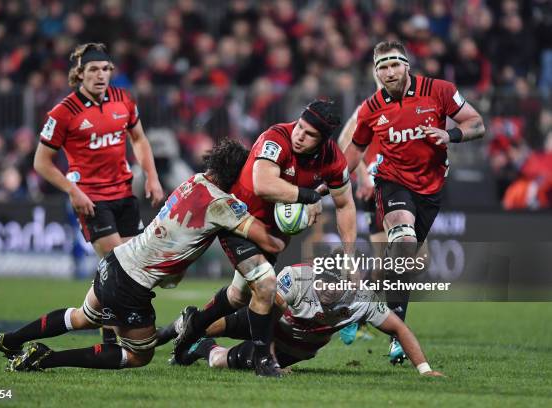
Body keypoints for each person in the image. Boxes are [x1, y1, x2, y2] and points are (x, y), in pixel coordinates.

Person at [0, 140, 286, 372]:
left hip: (115, 262)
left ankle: (11, 339)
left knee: (81, 318)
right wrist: (290, 221)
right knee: (138, 354)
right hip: (130, 285)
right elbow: (268, 242)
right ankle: (45, 359)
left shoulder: (194, 181)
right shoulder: (222, 205)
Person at [172, 100, 357, 377]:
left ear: (323, 141)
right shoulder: (277, 137)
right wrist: (309, 196)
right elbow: (263, 183)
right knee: (266, 285)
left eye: (309, 134)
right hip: (239, 219)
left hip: (272, 233)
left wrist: (350, 256)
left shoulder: (333, 160)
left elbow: (345, 205)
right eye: (300, 127)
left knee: (237, 297)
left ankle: (193, 325)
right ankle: (263, 362)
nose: (299, 135)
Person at [344, 40, 485, 362]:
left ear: (407, 64)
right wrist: (331, 184)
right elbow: (352, 150)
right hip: (391, 182)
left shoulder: (440, 90)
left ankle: (363, 305)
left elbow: (477, 124)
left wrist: (450, 135)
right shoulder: (370, 108)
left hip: (431, 189)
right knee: (403, 242)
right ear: (376, 73)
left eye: (395, 64)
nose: (390, 72)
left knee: (410, 262)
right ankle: (395, 333)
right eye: (383, 67)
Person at [32, 43, 165, 344]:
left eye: (106, 69)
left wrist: (152, 177)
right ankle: (110, 337)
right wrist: (73, 190)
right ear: (79, 74)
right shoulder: (63, 112)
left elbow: (140, 139)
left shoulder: (124, 100)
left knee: (134, 266)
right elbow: (41, 162)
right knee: (119, 262)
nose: (101, 75)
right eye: (93, 69)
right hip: (92, 199)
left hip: (124, 194)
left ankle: (107, 328)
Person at [164, 262, 444, 377]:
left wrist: (425, 370)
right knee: (211, 322)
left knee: (218, 360)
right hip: (268, 323)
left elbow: (399, 328)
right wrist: (267, 358)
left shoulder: (362, 300)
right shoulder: (295, 278)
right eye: (321, 284)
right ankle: (184, 327)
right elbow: (268, 317)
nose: (325, 290)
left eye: (334, 287)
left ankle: (203, 348)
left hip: (294, 349)